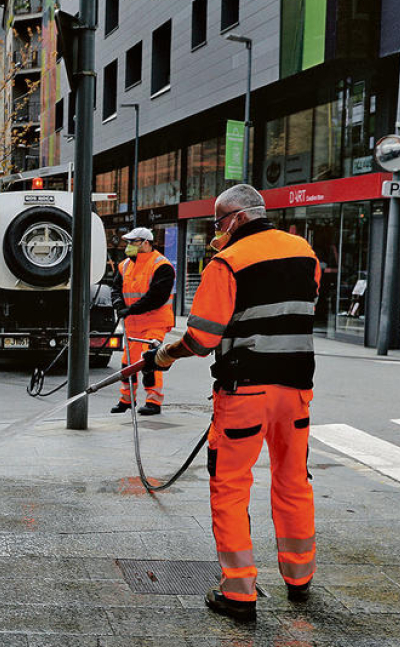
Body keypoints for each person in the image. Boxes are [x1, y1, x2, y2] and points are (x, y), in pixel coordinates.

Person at [141, 184, 320, 622]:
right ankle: (299, 578)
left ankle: (239, 591)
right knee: (294, 479)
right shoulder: (305, 253)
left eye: (219, 223)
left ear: (237, 218)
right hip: (296, 390)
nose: (217, 232)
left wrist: (163, 355)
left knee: (231, 485)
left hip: (245, 391)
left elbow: (202, 338)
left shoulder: (228, 262)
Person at [110, 227, 175, 416]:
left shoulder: (161, 265)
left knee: (150, 360)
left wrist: (130, 309)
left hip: (154, 322)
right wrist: (118, 304)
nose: (128, 246)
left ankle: (153, 402)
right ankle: (126, 400)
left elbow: (157, 297)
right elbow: (116, 289)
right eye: (128, 242)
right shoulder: (124, 266)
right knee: (127, 363)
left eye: (133, 242)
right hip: (132, 323)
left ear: (146, 243)